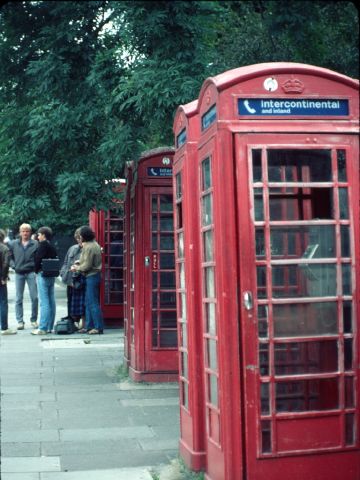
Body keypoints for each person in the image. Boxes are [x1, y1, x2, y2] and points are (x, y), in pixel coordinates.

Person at [71, 225, 104, 334]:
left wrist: (77, 268)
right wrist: (79, 263)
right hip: (92, 276)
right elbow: (86, 261)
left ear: (83, 235)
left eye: (79, 236)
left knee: (93, 303)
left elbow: (88, 265)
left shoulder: (89, 247)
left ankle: (98, 327)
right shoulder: (93, 244)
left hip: (92, 276)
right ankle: (89, 326)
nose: (79, 238)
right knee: (88, 302)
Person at [8, 223, 38, 330]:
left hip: (31, 272)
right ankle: (20, 321)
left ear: (30, 232)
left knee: (34, 297)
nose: (25, 233)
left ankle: (33, 320)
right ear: (20, 232)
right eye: (23, 231)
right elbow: (9, 257)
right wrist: (13, 265)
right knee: (18, 298)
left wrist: (35, 266)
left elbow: (38, 258)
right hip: (19, 272)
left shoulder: (35, 244)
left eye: (27, 231)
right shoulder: (13, 244)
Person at [31, 226, 57, 335]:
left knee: (44, 302)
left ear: (44, 235)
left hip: (42, 274)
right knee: (51, 301)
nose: (38, 236)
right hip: (51, 274)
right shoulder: (51, 245)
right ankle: (50, 326)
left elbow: (38, 259)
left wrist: (36, 271)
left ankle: (42, 328)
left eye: (39, 234)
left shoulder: (42, 245)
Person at [60, 228, 85, 327]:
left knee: (80, 302)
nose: (79, 240)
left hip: (80, 280)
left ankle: (80, 321)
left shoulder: (87, 249)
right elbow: (66, 262)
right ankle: (71, 320)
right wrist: (63, 274)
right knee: (70, 300)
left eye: (80, 238)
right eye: (77, 238)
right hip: (69, 279)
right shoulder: (72, 248)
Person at [0, 229, 17, 335]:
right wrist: (4, 277)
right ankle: (4, 327)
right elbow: (6, 264)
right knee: (2, 302)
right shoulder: (4, 248)